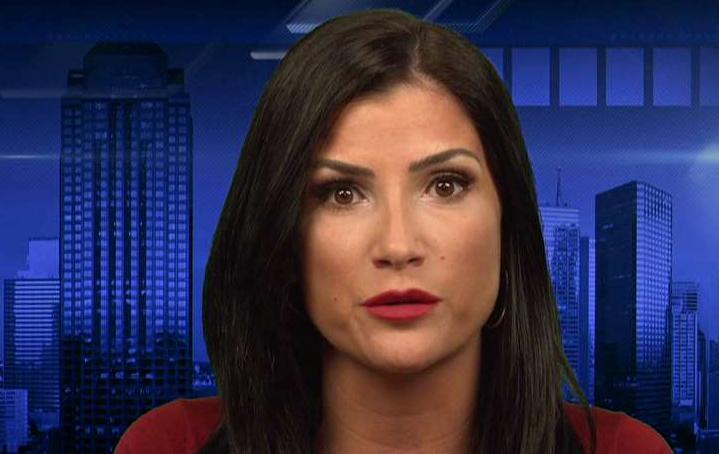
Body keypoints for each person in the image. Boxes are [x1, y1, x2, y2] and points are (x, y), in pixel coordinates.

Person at [116, 8, 672, 454]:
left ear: (509, 220)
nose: (398, 246)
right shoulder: (171, 445)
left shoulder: (623, 449)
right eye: (342, 194)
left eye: (446, 185)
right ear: (282, 235)